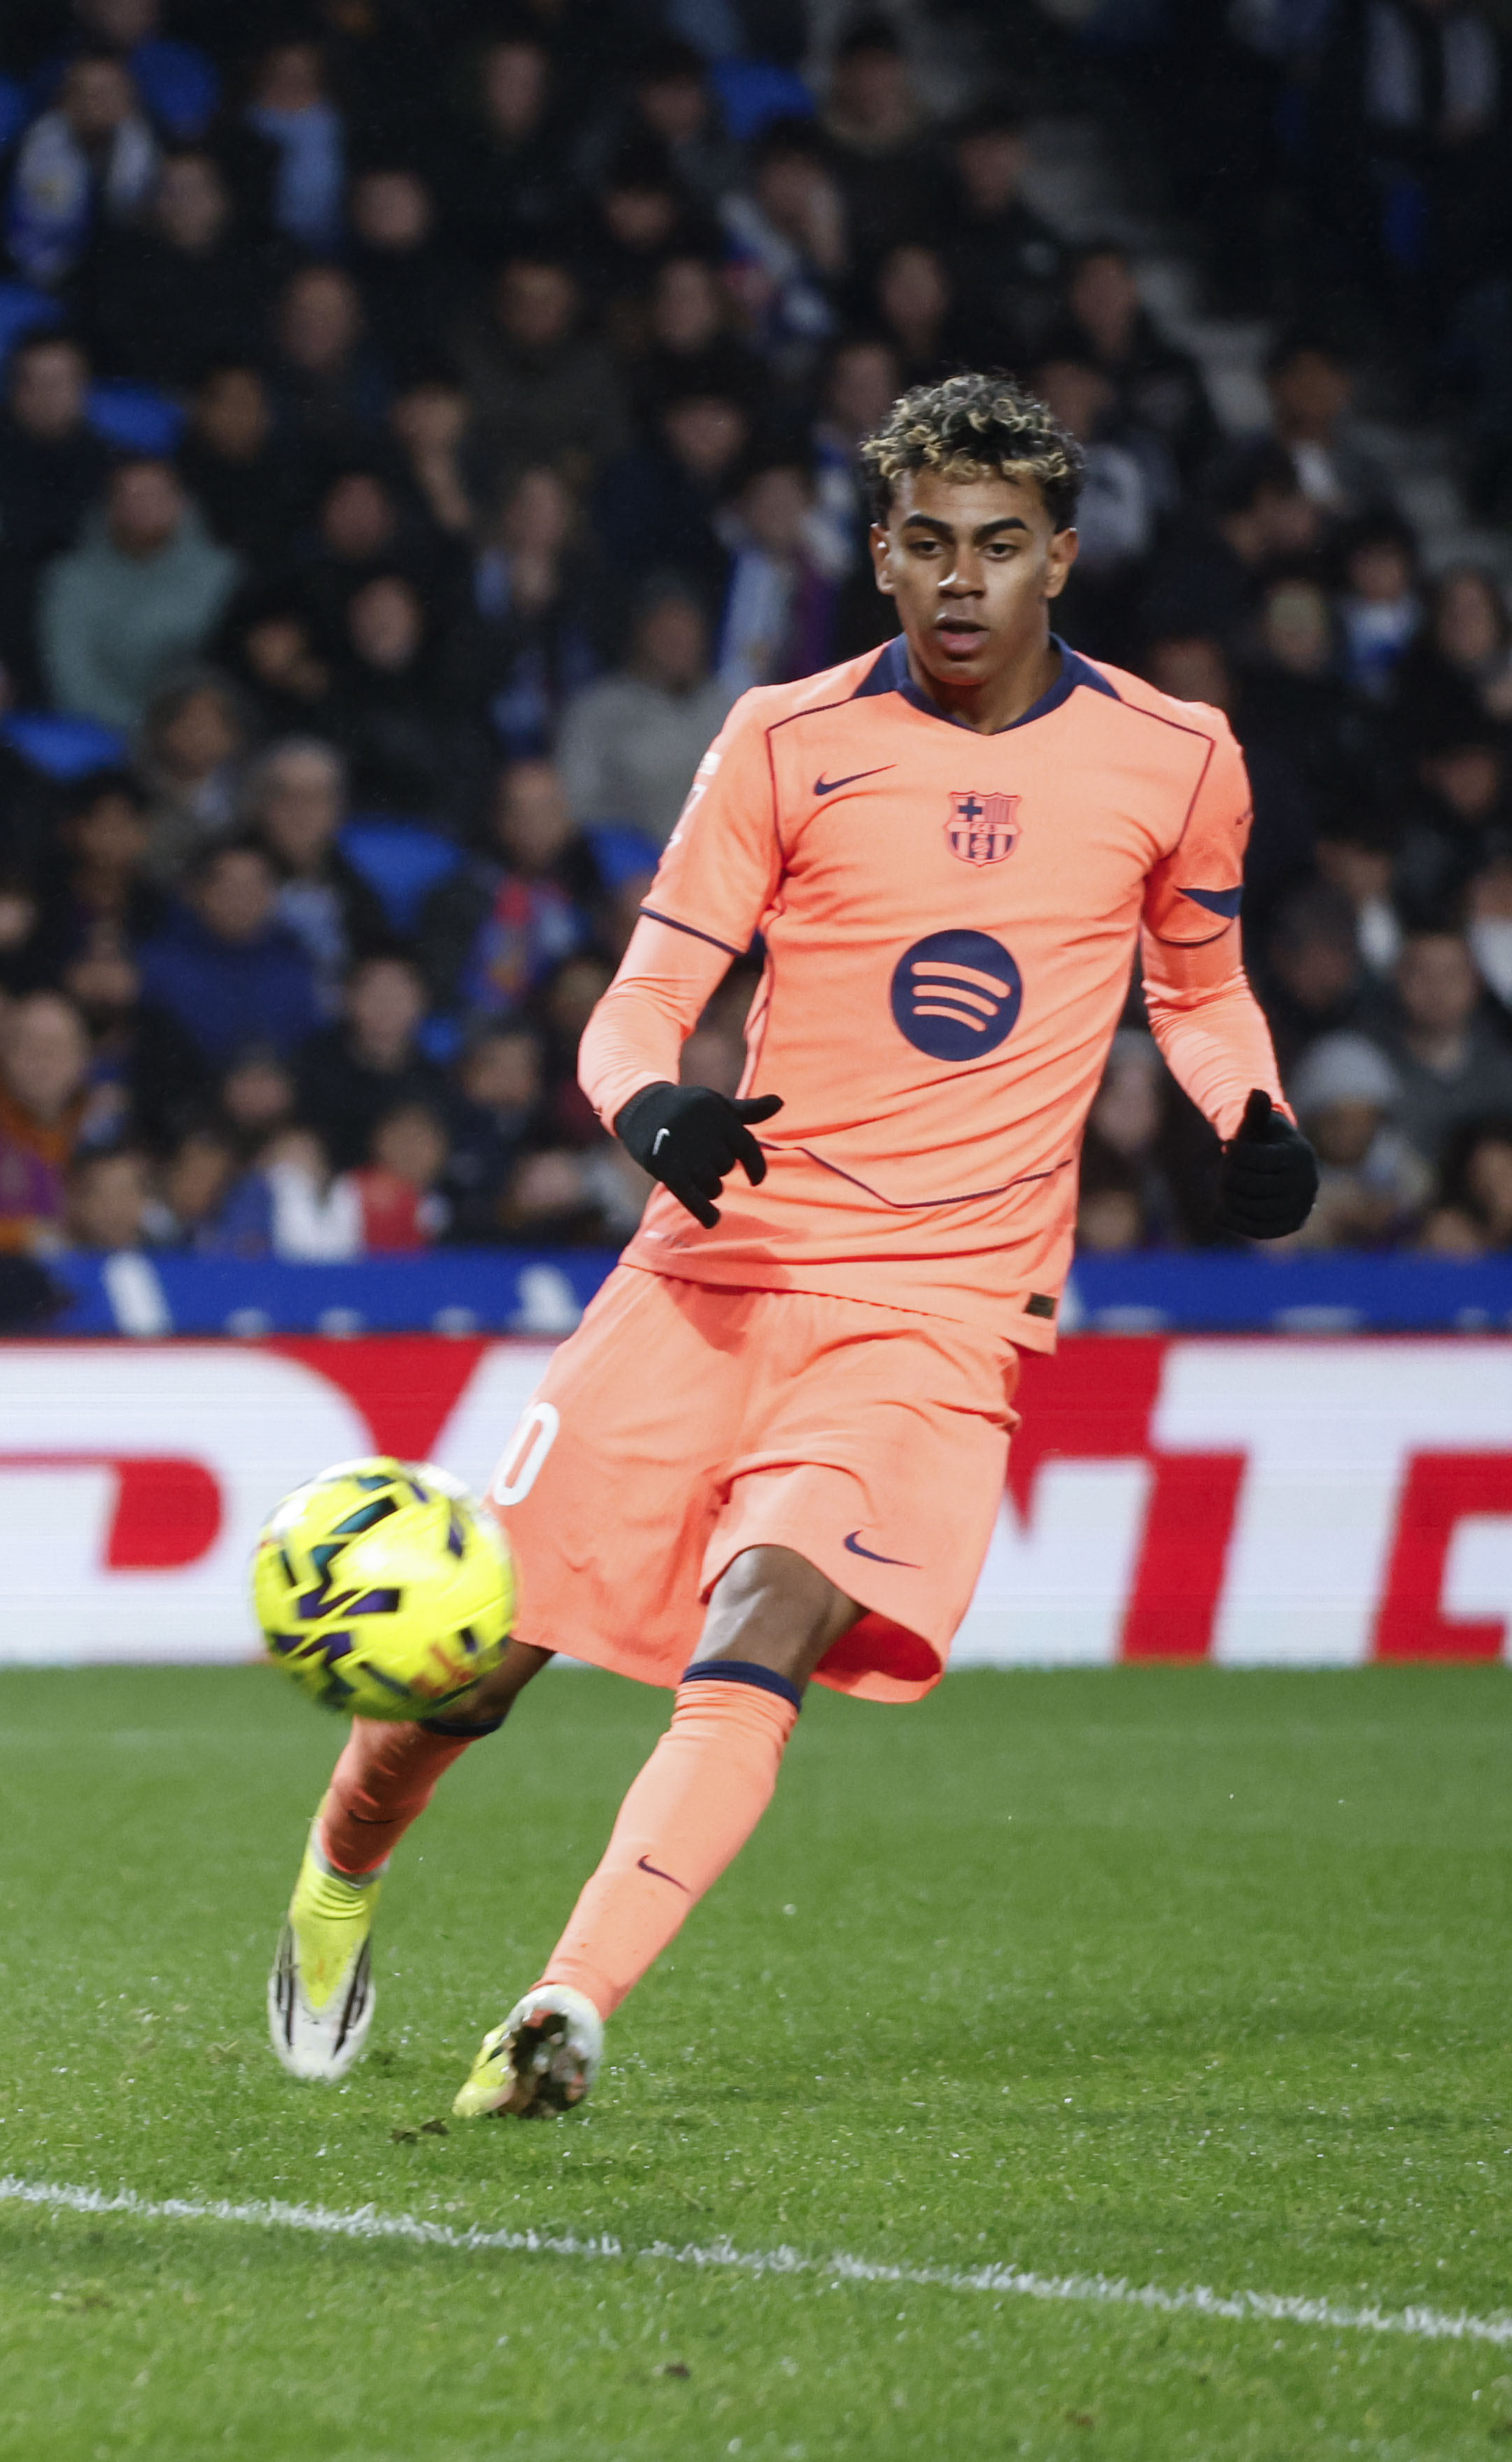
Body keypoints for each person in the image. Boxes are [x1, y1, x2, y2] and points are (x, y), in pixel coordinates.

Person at [263, 375, 1317, 2115]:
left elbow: (1198, 994)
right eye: (927, 543)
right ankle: (333, 1882)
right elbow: (640, 999)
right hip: (714, 1272)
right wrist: (651, 1111)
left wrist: (1248, 1112)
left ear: (1059, 558)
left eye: (998, 546)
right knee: (474, 1662)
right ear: (879, 555)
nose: (960, 579)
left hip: (941, 1307)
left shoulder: (1178, 754)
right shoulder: (781, 736)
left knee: (760, 1624)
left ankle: (564, 2004)